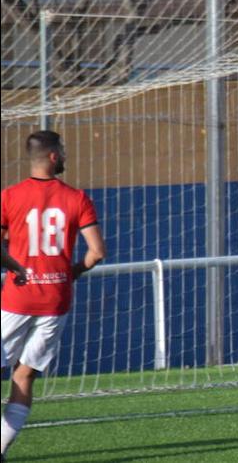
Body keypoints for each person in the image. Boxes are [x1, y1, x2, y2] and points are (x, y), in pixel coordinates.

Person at [1, 131, 106, 457]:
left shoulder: (9, 197)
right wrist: (71, 273)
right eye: (63, 151)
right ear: (52, 156)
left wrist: (15, 267)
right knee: (24, 375)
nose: (65, 156)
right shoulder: (77, 198)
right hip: (55, 301)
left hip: (17, 297)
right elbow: (97, 252)